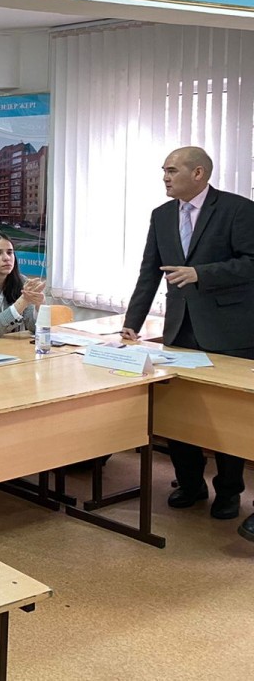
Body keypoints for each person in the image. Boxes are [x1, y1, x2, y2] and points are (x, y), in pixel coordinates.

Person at [120, 146, 254, 539]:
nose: (165, 177)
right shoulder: (161, 215)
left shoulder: (237, 209)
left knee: (226, 417)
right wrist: (131, 324)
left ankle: (228, 492)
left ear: (198, 173)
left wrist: (201, 273)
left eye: (172, 170)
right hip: (180, 330)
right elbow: (150, 272)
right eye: (163, 170)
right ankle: (191, 483)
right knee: (179, 410)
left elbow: (251, 262)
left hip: (229, 331)